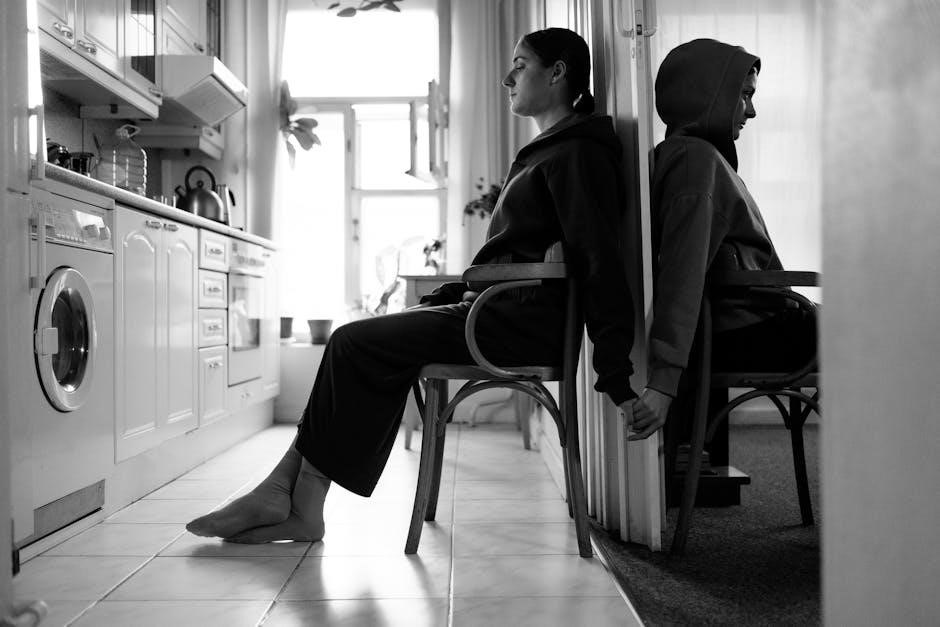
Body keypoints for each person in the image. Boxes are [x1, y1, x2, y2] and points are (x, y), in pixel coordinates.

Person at [186, 27, 640, 544]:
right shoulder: (553, 150)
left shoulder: (577, 153)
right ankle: (285, 492)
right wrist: (456, 293)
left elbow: (600, 264)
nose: (507, 78)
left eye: (520, 64)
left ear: (557, 73)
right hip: (499, 314)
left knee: (353, 342)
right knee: (359, 340)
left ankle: (295, 501)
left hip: (516, 326)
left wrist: (617, 377)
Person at [627, 38, 817, 442]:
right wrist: (663, 383)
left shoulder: (689, 157)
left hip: (749, 321)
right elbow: (682, 273)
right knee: (897, 334)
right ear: (708, 94)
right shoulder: (695, 163)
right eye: (743, 95)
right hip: (753, 328)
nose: (751, 110)